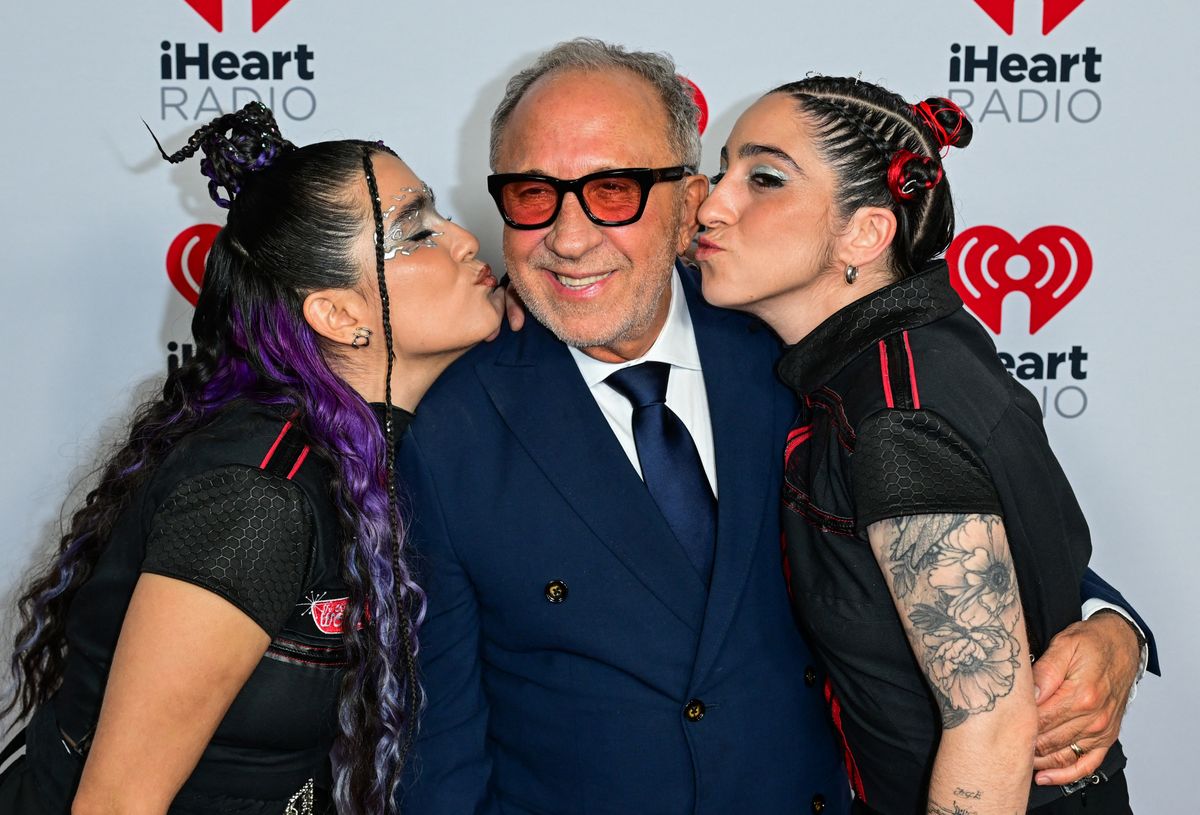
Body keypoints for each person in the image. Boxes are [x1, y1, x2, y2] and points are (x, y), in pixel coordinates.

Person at [397, 39, 1154, 815]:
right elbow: (440, 748)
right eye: (532, 194)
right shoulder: (450, 427)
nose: (568, 237)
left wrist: (1108, 626)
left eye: (614, 190)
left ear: (690, 204)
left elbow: (969, 520)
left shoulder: (799, 344)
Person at [0, 102, 503, 814]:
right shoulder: (257, 497)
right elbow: (116, 803)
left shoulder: (354, 454)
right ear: (340, 315)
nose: (463, 239)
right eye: (417, 232)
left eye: (440, 216)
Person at [695, 78, 1147, 813]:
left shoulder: (893, 414)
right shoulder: (915, 351)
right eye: (723, 172)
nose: (712, 204)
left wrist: (1117, 632)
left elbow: (990, 725)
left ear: (866, 234)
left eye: (765, 178)